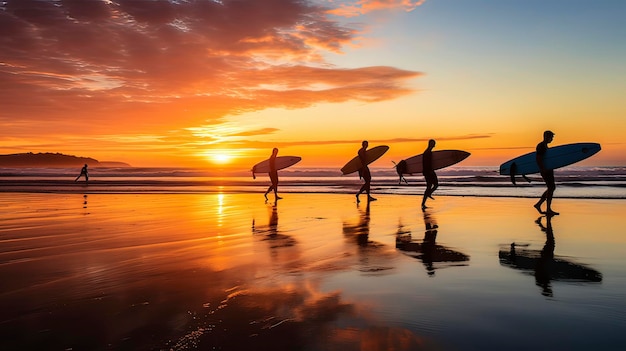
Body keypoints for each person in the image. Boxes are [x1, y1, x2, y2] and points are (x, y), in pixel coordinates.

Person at [534, 131, 558, 215]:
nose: (552, 139)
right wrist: (543, 169)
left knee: (551, 187)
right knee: (551, 187)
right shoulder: (541, 146)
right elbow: (538, 158)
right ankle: (548, 209)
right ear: (546, 137)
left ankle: (539, 204)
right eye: (551, 137)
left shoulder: (545, 146)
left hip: (548, 169)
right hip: (545, 170)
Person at [421, 139, 438, 210]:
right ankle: (428, 195)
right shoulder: (428, 153)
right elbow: (427, 163)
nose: (435, 145)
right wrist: (430, 171)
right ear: (431, 144)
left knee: (429, 186)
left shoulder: (427, 152)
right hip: (429, 171)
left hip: (427, 171)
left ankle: (423, 203)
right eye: (434, 143)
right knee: (435, 185)